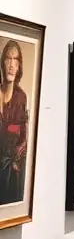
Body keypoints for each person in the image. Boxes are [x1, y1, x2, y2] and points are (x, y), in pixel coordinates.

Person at [0, 40, 28, 206]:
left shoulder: (21, 98)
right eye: (8, 59)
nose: (11, 64)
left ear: (19, 67)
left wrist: (16, 159)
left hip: (10, 169)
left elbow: (24, 137)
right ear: (3, 62)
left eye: (15, 60)